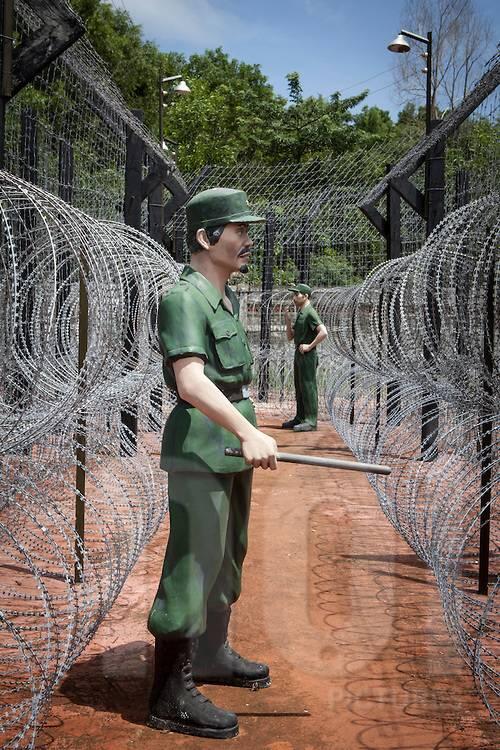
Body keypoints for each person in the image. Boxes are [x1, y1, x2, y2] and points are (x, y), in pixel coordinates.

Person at [147, 188, 278, 740]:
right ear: (206, 237)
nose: (247, 240)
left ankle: (211, 654)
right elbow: (192, 380)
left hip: (226, 447)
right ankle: (168, 692)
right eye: (238, 229)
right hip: (203, 448)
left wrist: (246, 428)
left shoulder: (223, 298)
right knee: (194, 560)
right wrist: (248, 429)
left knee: (228, 554)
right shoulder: (184, 298)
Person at [282, 283, 328, 432]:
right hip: (299, 353)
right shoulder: (301, 313)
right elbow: (290, 337)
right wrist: (288, 321)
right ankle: (300, 417)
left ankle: (311, 420)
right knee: (299, 387)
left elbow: (323, 332)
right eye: (293, 295)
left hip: (307, 355)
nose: (294, 298)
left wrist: (309, 346)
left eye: (297, 295)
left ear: (306, 296)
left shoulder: (310, 313)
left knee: (308, 387)